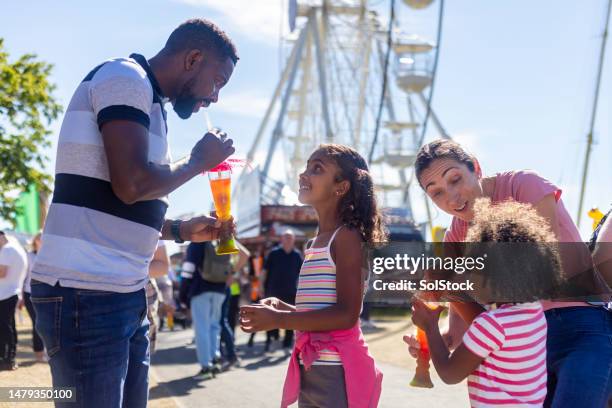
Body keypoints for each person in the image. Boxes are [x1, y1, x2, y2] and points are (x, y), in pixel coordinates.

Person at [30, 18, 238, 408]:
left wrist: (179, 229)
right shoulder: (126, 79)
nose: (215, 98)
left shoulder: (150, 101)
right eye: (218, 81)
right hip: (86, 293)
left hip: (121, 292)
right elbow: (131, 185)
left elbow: (113, 202)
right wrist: (196, 162)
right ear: (193, 59)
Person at [405, 139, 612, 408]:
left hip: (581, 324)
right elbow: (462, 319)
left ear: (476, 168)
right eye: (437, 193)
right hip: (521, 344)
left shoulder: (524, 185)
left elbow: (540, 272)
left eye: (455, 179)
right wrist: (441, 337)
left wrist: (453, 287)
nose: (451, 198)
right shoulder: (455, 234)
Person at [240, 144, 385, 408]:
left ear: (341, 187)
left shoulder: (347, 238)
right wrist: (282, 308)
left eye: (316, 169)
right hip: (310, 367)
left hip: (337, 371)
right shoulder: (314, 243)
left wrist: (280, 319)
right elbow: (320, 310)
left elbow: (346, 314)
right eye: (306, 167)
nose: (303, 174)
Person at [410, 199, 561, 407]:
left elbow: (449, 373)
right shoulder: (532, 310)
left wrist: (430, 326)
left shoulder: (493, 325)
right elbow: (486, 326)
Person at [180, 240, 248, 378]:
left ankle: (206, 367)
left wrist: (182, 296)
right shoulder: (222, 240)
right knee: (214, 326)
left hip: (200, 290)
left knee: (201, 329)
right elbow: (244, 255)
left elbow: (188, 271)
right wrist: (232, 273)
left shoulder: (197, 242)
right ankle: (215, 360)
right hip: (220, 290)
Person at [261, 230, 303, 350]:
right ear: (281, 239)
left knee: (290, 317)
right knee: (271, 316)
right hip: (273, 292)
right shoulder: (273, 253)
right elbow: (264, 272)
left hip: (291, 291)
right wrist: (260, 287)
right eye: (286, 237)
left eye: (290, 237)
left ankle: (287, 343)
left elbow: (302, 273)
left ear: (294, 240)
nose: (288, 239)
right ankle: (273, 339)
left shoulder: (297, 255)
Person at [0, 230, 27, 371]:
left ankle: (7, 359)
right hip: (12, 293)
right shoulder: (17, 248)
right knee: (9, 327)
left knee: (5, 328)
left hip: (5, 294)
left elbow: (2, 273)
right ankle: (9, 358)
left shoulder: (7, 249)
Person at [17, 232, 46, 363]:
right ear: (35, 241)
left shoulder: (49, 256)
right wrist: (21, 296)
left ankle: (45, 351)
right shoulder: (28, 256)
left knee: (45, 324)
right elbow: (23, 277)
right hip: (30, 293)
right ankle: (39, 353)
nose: (41, 240)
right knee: (37, 322)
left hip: (46, 294)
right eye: (39, 238)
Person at [146, 241, 171, 354]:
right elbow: (164, 266)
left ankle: (169, 324)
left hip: (151, 291)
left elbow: (164, 266)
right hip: (150, 292)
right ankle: (168, 324)